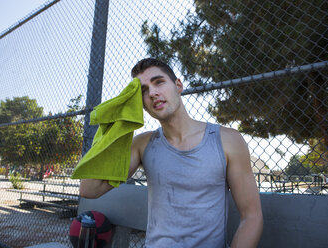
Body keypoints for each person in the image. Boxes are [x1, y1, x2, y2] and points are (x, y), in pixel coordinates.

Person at [80, 58, 263, 247]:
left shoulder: (227, 140)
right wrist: (115, 121)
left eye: (158, 82)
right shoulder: (143, 144)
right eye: (143, 91)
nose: (152, 93)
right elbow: (89, 189)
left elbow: (251, 216)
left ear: (178, 85)